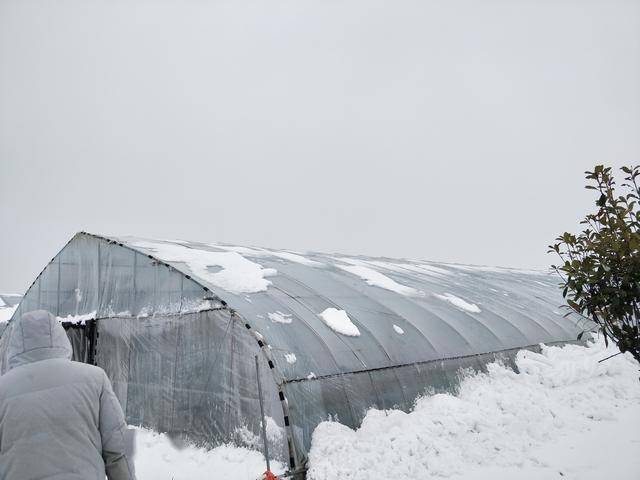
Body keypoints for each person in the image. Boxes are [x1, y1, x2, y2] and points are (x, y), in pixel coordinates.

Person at [0, 310, 135, 480]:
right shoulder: (95, 378)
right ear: (59, 336)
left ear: (15, 343)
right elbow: (118, 449)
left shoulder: (3, 390)